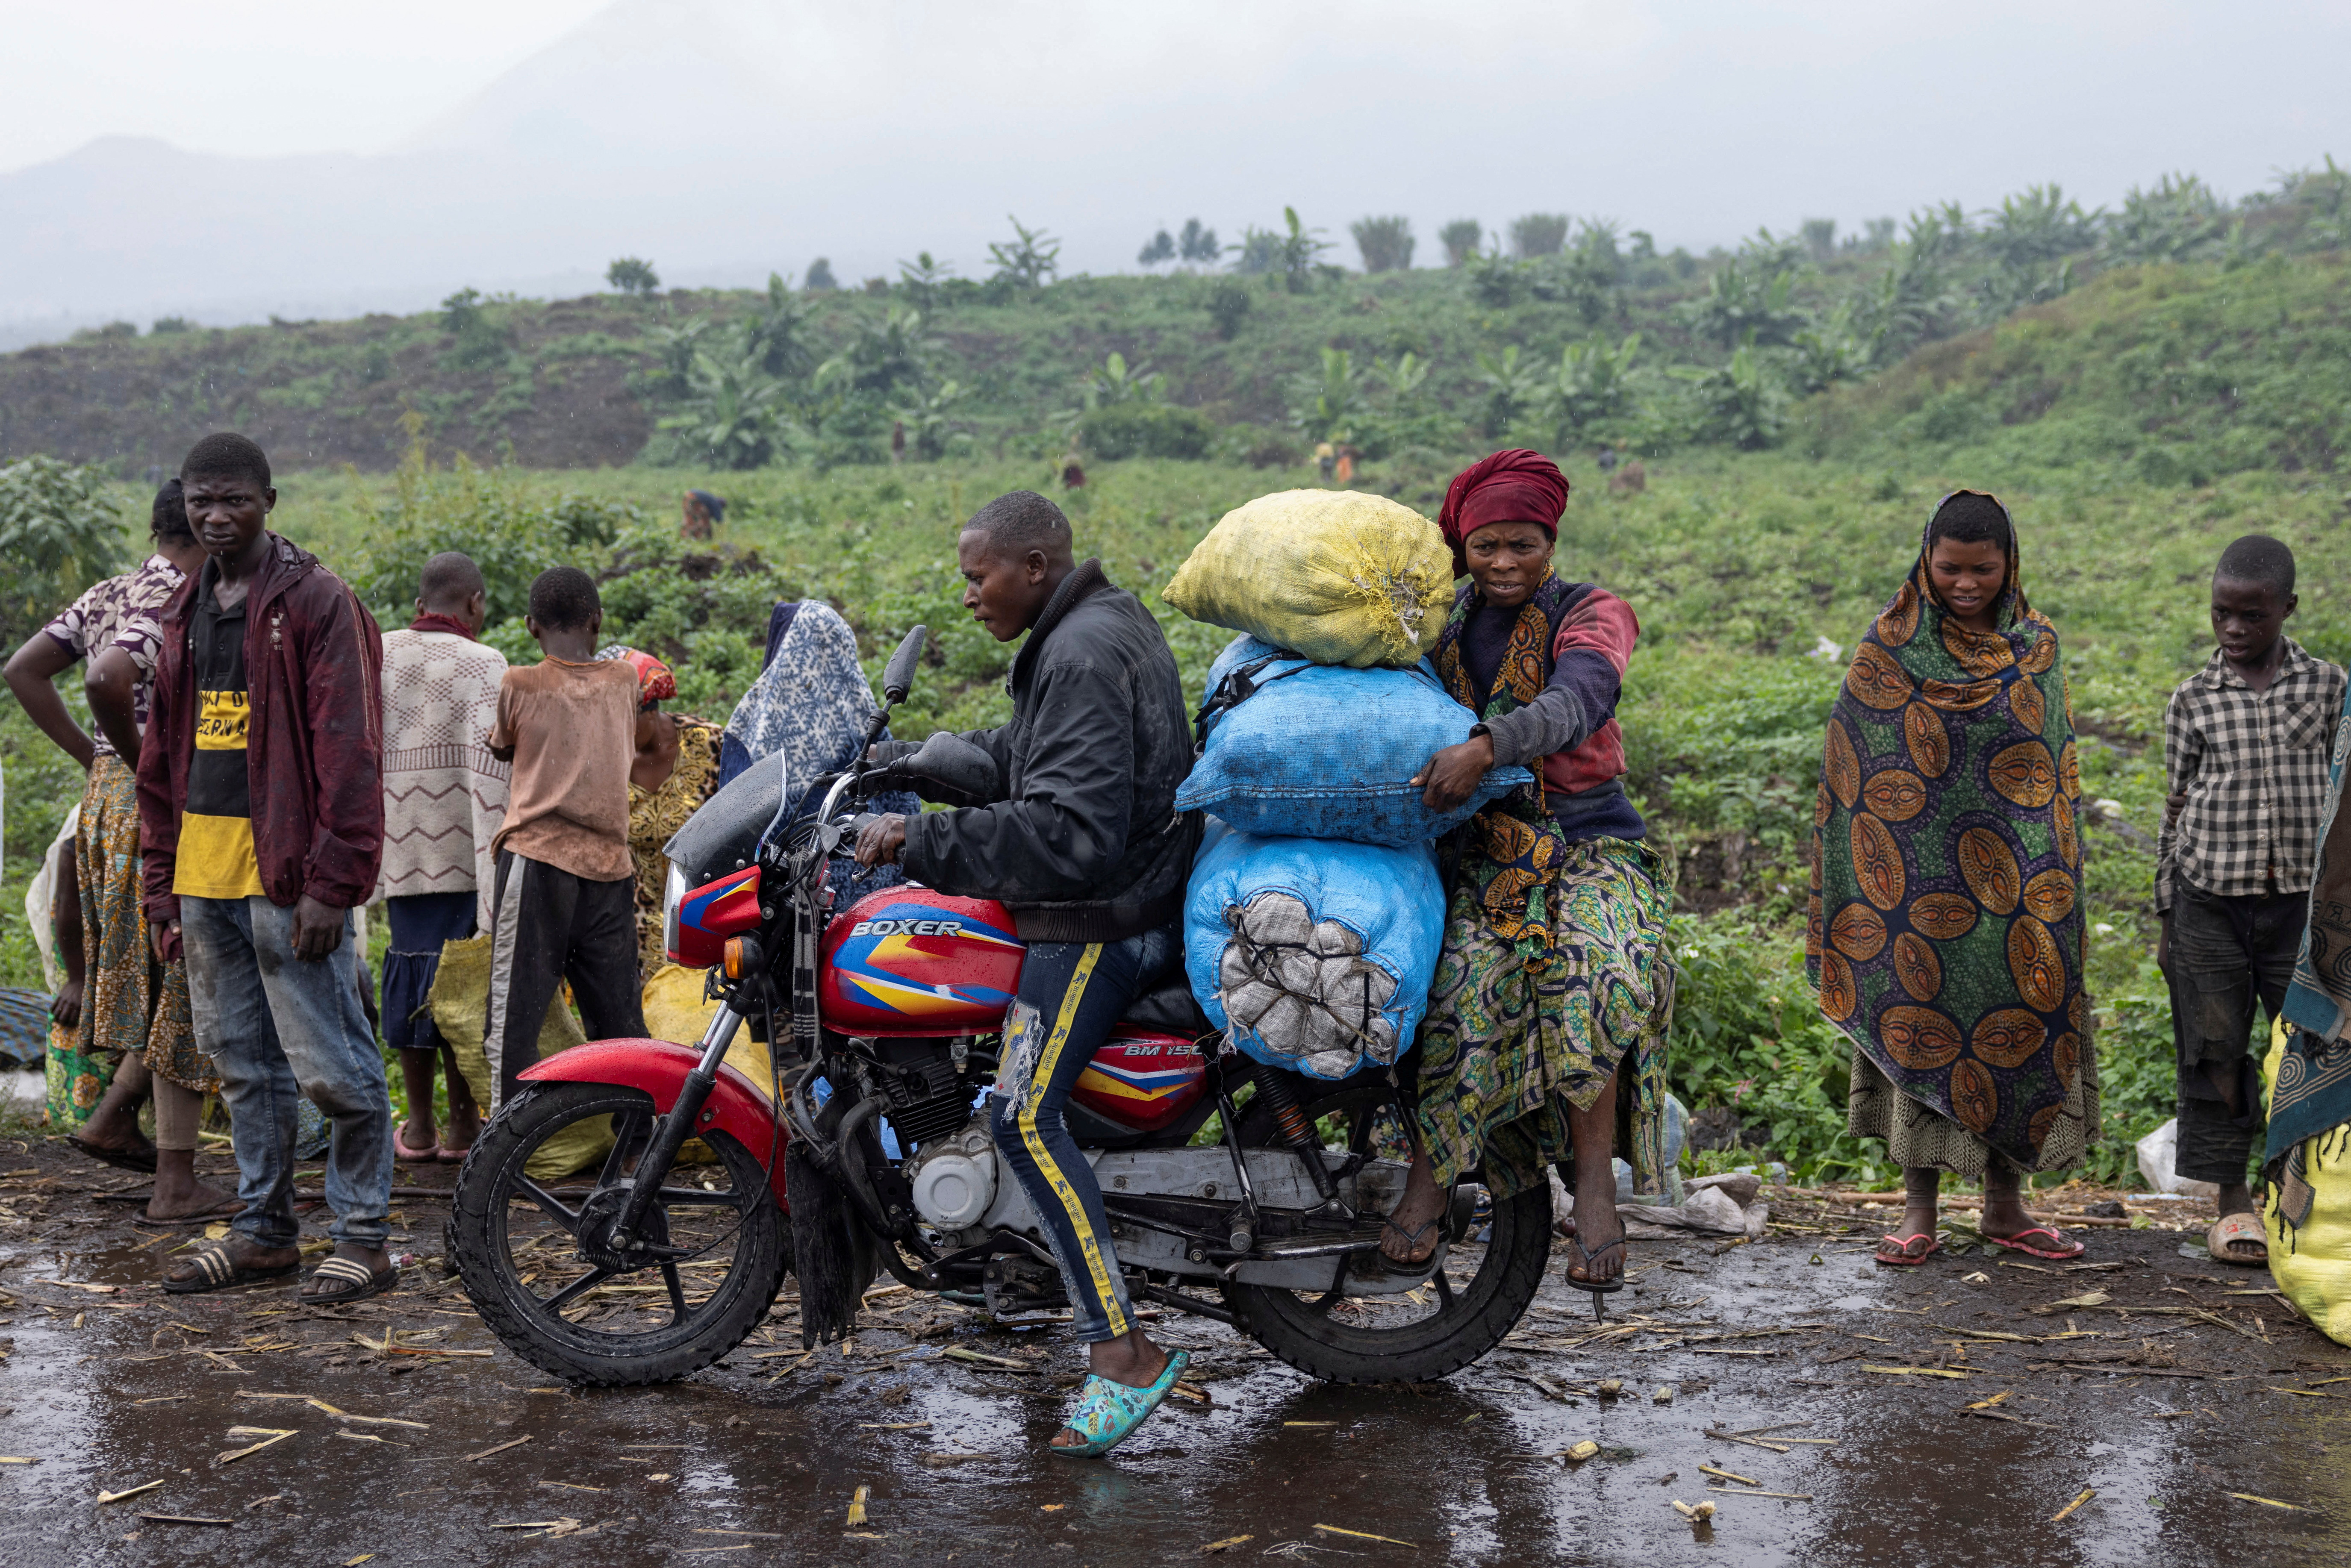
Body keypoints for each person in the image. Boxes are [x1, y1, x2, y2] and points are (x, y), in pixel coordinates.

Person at [853, 490, 1196, 1456]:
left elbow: (1071, 832)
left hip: (1100, 920)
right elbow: (1039, 760)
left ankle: (1121, 1353)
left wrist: (920, 842)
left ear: (1034, 567)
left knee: (1018, 1116)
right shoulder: (1091, 624)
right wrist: (927, 762)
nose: (967, 595)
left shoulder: (1079, 651)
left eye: (976, 576)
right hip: (1124, 892)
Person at [1388, 449, 1675, 1300]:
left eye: (1524, 546)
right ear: (1461, 548)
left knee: (1593, 977)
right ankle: (1430, 1174)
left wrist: (1487, 745)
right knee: (1458, 991)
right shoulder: (1438, 625)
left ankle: (1591, 1185)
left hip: (1593, 843)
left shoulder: (1591, 612)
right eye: (1487, 548)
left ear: (1550, 541)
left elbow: (1579, 697)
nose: (1506, 564)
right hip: (1487, 848)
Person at [138, 432, 394, 1300]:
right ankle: (264, 1232)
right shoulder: (185, 607)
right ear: (185, 500)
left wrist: (334, 882)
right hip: (203, 875)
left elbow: (352, 752)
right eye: (202, 501)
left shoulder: (315, 602)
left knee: (334, 1064)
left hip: (288, 878)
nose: (217, 516)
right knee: (245, 1064)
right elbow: (160, 762)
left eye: (234, 501)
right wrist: (161, 888)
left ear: (268, 502)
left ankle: (366, 1236)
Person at [1811, 491, 2095, 1266]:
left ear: (2009, 565)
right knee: (1921, 1021)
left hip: (2016, 888)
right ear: (1926, 563)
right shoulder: (1890, 649)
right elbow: (1855, 772)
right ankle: (1918, 1210)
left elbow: (2051, 773)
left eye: (1984, 568)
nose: (1967, 583)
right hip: (1911, 886)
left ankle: (2006, 1206)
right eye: (1951, 568)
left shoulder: (2036, 646)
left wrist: (2045, 876)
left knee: (2016, 1025)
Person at [4, 481, 235, 1224]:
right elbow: (109, 677)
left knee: (162, 974)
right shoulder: (183, 593)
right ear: (204, 526)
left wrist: (97, 757)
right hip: (154, 799)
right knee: (192, 974)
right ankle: (172, 1176)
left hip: (108, 800)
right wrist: (148, 764)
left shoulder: (113, 589)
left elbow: (24, 669)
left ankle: (120, 1121)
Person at [2157, 535, 2344, 1265]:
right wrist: (2166, 910)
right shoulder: (2195, 698)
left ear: (2287, 609)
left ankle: (2300, 1195)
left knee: (2309, 1045)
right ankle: (2234, 1202)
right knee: (2214, 1048)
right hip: (2210, 901)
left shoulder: (2327, 687)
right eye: (2221, 614)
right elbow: (2175, 811)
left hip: (2301, 904)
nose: (2234, 629)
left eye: (2252, 616)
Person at [481, 568, 652, 1109]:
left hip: (537, 860)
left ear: (532, 627)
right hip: (609, 868)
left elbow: (503, 746)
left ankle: (505, 1152)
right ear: (597, 621)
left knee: (514, 1019)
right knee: (619, 1019)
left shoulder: (520, 683)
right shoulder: (626, 680)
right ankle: (634, 1145)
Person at [376, 553, 510, 1163]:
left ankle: (421, 1126)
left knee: (410, 972)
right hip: (467, 850)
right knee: (460, 987)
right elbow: (498, 767)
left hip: (399, 850)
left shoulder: (378, 651)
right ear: (476, 604)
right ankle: (463, 1128)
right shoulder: (486, 664)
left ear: (418, 605)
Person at [604, 642, 722, 974]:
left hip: (704, 920)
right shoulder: (603, 761)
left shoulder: (710, 744)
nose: (617, 733)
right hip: (634, 930)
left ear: (651, 709)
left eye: (625, 721)